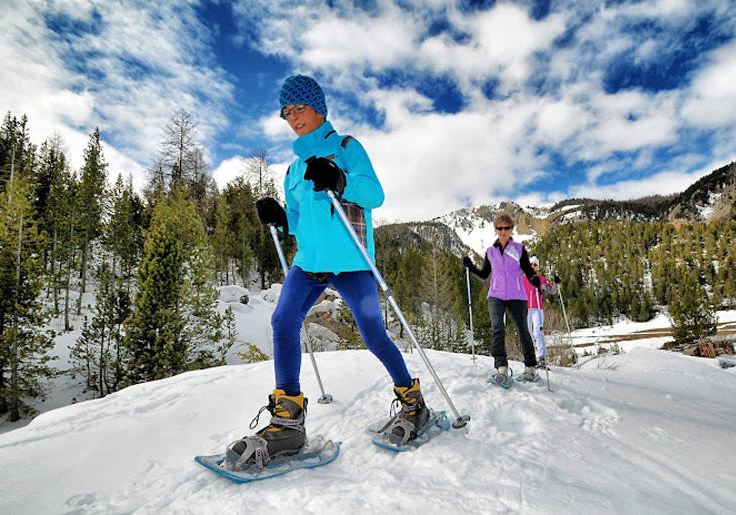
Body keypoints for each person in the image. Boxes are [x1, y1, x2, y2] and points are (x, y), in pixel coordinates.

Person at [229, 75, 429, 466]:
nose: (292, 117)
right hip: (308, 263)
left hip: (351, 262)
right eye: (286, 113)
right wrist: (280, 218)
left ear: (318, 108)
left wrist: (340, 178)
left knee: (373, 336)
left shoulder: (347, 148)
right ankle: (288, 418)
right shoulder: (292, 170)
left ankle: (412, 398)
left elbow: (374, 194)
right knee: (283, 321)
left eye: (298, 109)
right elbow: (300, 224)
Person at [463, 213, 542, 385]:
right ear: (496, 230)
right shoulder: (490, 252)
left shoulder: (519, 249)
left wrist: (533, 278)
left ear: (511, 229)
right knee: (497, 328)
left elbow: (528, 270)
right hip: (496, 294)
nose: (503, 231)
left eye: (506, 228)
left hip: (517, 295)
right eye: (500, 228)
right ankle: (501, 368)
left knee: (522, 330)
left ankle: (530, 367)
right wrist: (471, 267)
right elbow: (484, 275)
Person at [523, 256, 558, 368]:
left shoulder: (541, 279)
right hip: (526, 309)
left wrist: (556, 283)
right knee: (528, 334)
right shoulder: (522, 278)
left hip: (537, 309)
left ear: (537, 267)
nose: (533, 267)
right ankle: (530, 358)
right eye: (531, 264)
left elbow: (552, 291)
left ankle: (542, 357)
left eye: (535, 265)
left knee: (538, 332)